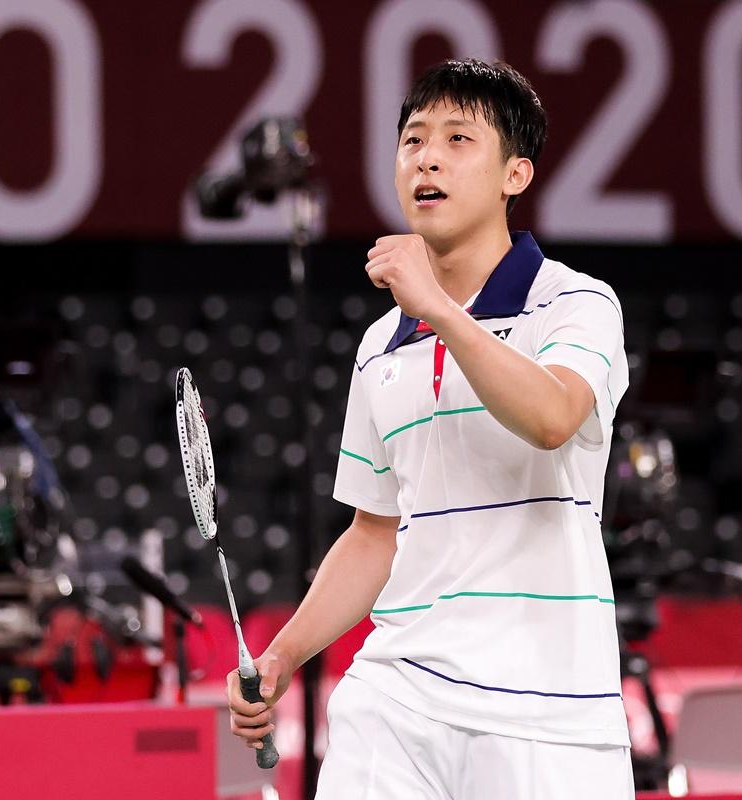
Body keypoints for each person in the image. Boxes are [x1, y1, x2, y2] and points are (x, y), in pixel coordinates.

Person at [228, 58, 635, 798]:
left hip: (547, 714)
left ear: (516, 174)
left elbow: (551, 418)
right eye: (413, 140)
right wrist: (284, 655)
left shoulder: (577, 305)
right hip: (397, 696)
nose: (427, 157)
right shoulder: (383, 343)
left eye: (457, 139)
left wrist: (443, 311)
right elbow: (374, 532)